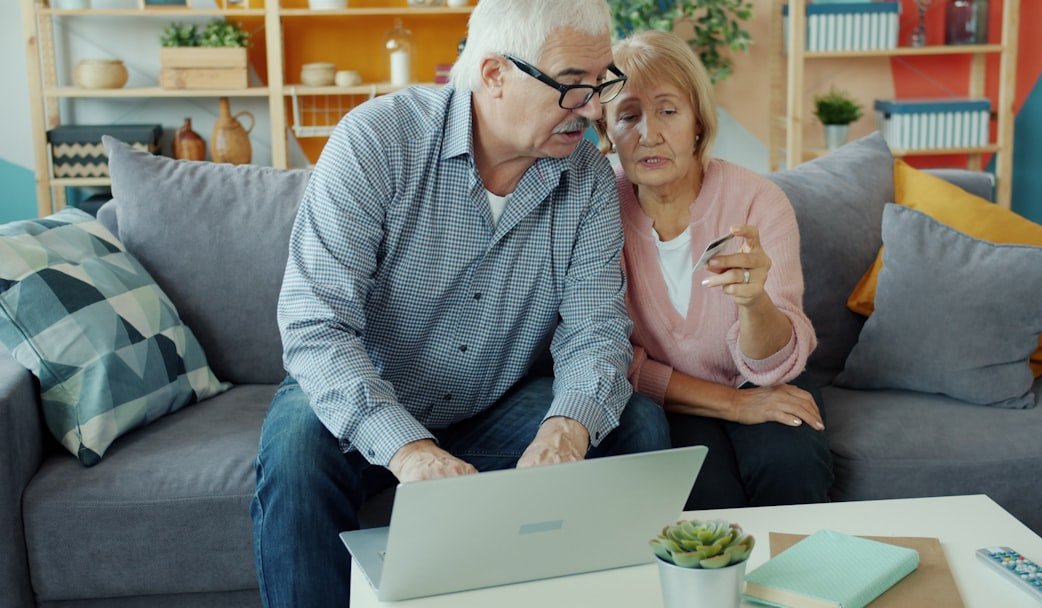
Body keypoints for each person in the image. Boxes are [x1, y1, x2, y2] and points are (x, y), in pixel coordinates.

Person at [250, 2, 671, 606]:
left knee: (635, 424)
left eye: (601, 82)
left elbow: (595, 330)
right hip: (369, 400)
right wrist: (410, 450)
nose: (596, 109)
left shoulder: (588, 181)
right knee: (294, 448)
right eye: (572, 87)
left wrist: (566, 430)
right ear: (495, 74)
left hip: (494, 406)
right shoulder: (376, 142)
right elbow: (316, 327)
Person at [595, 30, 833, 510]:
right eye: (628, 116)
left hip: (764, 380)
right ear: (606, 133)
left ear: (699, 122)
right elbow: (611, 358)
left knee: (792, 466)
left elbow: (772, 366)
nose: (650, 134)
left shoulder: (757, 200)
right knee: (705, 498)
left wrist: (753, 302)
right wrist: (734, 407)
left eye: (668, 110)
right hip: (675, 397)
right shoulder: (597, 208)